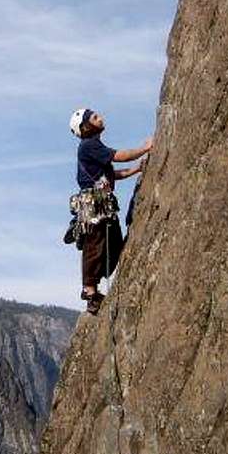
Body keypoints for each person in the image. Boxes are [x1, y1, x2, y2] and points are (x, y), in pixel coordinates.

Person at [69, 108, 152, 314]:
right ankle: (90, 290)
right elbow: (118, 156)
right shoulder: (89, 145)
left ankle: (94, 288)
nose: (101, 117)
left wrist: (136, 169)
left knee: (113, 242)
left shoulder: (94, 146)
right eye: (95, 117)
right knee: (95, 243)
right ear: (86, 127)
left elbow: (111, 174)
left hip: (102, 202)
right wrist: (144, 149)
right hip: (93, 204)